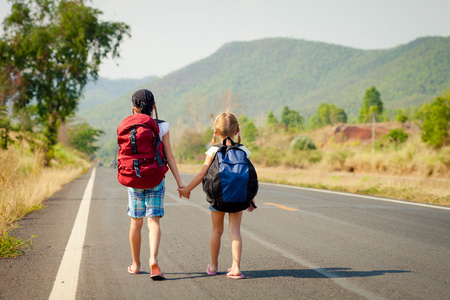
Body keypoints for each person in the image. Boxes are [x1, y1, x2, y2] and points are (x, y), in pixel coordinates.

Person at [178, 112, 256, 279]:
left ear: (216, 132)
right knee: (235, 231)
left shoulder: (213, 150)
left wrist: (187, 190)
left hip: (218, 198)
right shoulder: (243, 150)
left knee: (216, 231)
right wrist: (250, 198)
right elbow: (247, 176)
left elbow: (201, 174)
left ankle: (213, 266)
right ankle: (236, 267)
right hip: (238, 198)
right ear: (237, 131)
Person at [126, 89, 185, 280]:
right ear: (154, 106)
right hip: (156, 178)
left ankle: (135, 265)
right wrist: (180, 182)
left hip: (135, 179)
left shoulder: (128, 125)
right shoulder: (162, 126)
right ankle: (153, 260)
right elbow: (170, 156)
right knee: (154, 221)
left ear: (134, 108)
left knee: (136, 222)